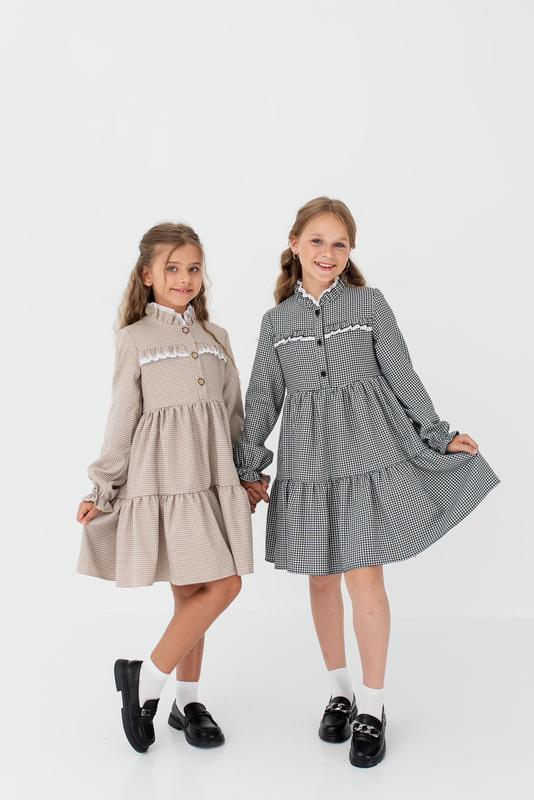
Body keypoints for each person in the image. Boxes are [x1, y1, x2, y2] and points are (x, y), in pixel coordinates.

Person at [234, 196, 500, 768]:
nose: (327, 253)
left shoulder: (367, 303)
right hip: (309, 464)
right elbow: (262, 397)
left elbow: (401, 371)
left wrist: (438, 433)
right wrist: (249, 466)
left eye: (340, 243)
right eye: (317, 241)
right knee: (321, 579)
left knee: (365, 579)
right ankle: (339, 691)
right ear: (294, 244)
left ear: (350, 250)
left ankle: (373, 707)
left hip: (367, 455)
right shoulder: (275, 323)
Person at [76, 222, 255, 753]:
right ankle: (149, 683)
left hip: (211, 478)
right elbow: (122, 417)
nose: (184, 278)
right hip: (167, 478)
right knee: (217, 587)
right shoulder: (135, 339)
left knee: (199, 594)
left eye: (193, 268)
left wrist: (246, 473)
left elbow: (234, 414)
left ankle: (185, 700)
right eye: (172, 268)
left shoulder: (216, 338)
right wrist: (102, 487)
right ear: (147, 275)